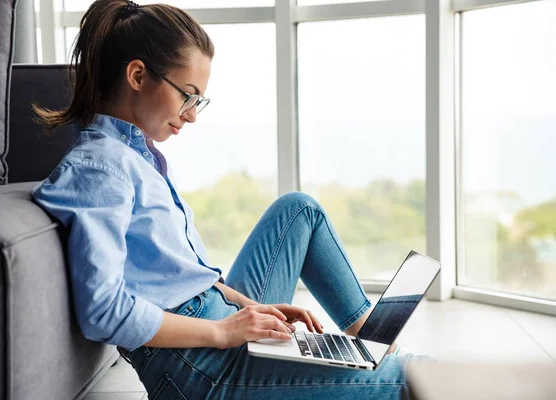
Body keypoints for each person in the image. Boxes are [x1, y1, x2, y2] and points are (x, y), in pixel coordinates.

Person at [31, 1, 417, 398]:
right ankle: (384, 369)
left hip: (219, 322)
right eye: (188, 95)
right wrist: (223, 330)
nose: (193, 114)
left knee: (298, 210)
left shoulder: (139, 157)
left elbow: (180, 276)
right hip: (200, 370)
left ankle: (367, 345)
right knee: (414, 379)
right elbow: (103, 310)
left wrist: (252, 308)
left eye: (199, 100)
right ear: (137, 75)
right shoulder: (100, 170)